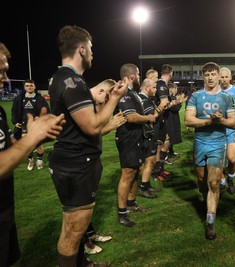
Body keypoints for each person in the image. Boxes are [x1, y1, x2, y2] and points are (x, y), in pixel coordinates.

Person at [48, 25, 127, 267]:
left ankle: (82, 263)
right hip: (76, 163)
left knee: (75, 226)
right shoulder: (72, 81)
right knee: (73, 230)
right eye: (91, 49)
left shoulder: (63, 78)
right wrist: (114, 98)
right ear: (81, 49)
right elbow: (92, 127)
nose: (92, 53)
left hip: (74, 160)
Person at [0, 41, 65, 267]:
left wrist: (38, 135)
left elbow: (7, 149)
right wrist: (31, 137)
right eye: (1, 71)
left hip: (6, 211)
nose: (6, 79)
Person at [184, 62, 235, 240]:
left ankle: (210, 222)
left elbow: (234, 122)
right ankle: (207, 197)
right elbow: (188, 120)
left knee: (213, 183)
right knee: (202, 181)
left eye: (213, 74)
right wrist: (208, 122)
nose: (210, 77)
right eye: (207, 74)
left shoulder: (226, 98)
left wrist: (220, 121)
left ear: (218, 75)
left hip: (217, 144)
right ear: (203, 77)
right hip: (200, 143)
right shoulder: (196, 96)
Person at [83, 79, 127, 255]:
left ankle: (90, 233)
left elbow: (100, 125)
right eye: (108, 97)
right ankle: (83, 243)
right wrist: (110, 125)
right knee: (81, 206)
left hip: (91, 158)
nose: (109, 102)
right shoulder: (83, 103)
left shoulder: (92, 102)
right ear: (101, 91)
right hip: (79, 162)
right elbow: (88, 134)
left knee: (88, 202)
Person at [115, 64, 156, 227]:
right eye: (138, 74)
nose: (139, 77)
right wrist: (148, 119)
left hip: (136, 137)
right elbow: (130, 117)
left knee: (136, 171)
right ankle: (122, 212)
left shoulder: (132, 92)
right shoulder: (124, 91)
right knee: (128, 173)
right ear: (132, 76)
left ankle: (131, 203)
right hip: (127, 139)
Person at [11, 79, 50, 170]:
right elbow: (14, 111)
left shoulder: (40, 98)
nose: (29, 87)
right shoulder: (19, 98)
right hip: (24, 124)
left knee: (39, 144)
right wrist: (15, 121)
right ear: (25, 87)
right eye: (27, 85)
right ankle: (31, 159)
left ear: (34, 87)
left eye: (31, 85)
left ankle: (39, 160)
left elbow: (47, 111)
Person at [137, 78, 162, 199]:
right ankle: (143, 188)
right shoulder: (145, 100)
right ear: (147, 88)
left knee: (149, 161)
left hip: (147, 135)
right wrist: (161, 106)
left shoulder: (144, 99)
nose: (156, 90)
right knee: (149, 161)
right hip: (147, 135)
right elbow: (152, 117)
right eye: (154, 87)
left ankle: (146, 185)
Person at [153, 64, 174, 180]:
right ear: (170, 73)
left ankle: (160, 168)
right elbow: (163, 103)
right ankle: (156, 173)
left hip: (162, 119)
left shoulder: (161, 84)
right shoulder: (161, 84)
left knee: (166, 141)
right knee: (159, 145)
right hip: (158, 119)